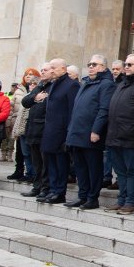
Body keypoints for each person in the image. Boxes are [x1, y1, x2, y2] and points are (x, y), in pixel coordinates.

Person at [64, 54, 114, 210]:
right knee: (80, 167)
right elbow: (77, 109)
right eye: (89, 64)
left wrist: (96, 130)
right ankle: (82, 196)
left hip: (91, 134)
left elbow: (103, 109)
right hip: (77, 132)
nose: (91, 66)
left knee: (93, 167)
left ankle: (93, 198)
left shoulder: (106, 84)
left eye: (95, 64)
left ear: (104, 67)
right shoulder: (86, 82)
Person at [104, 53, 134, 215]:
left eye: (130, 65)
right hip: (115, 135)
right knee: (121, 171)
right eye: (126, 64)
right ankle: (122, 199)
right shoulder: (122, 83)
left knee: (132, 170)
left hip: (131, 136)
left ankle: (131, 201)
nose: (127, 67)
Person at [39, 58, 79, 204]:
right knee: (50, 162)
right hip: (50, 130)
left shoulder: (72, 85)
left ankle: (59, 191)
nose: (51, 70)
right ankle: (52, 189)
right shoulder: (53, 84)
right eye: (50, 68)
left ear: (63, 69)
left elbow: (71, 111)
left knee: (61, 163)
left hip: (61, 131)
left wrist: (68, 133)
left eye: (54, 68)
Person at [20, 63, 52, 198]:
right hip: (33, 129)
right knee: (36, 162)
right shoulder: (39, 86)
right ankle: (37, 186)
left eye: (45, 70)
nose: (43, 72)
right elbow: (25, 101)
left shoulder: (53, 86)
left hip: (44, 130)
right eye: (42, 70)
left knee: (45, 162)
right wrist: (35, 97)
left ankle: (45, 188)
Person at [7, 68, 40, 181]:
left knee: (31, 153)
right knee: (24, 152)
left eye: (31, 75)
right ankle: (25, 172)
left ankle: (33, 174)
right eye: (26, 74)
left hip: (32, 127)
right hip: (20, 124)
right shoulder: (19, 90)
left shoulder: (39, 94)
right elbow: (14, 108)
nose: (28, 77)